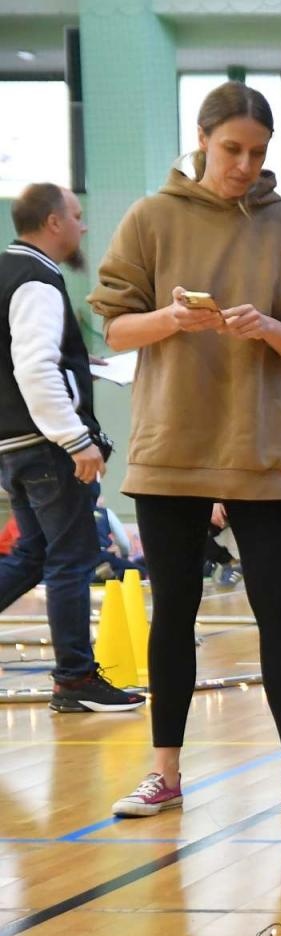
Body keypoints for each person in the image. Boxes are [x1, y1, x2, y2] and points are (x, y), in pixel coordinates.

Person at [90, 82, 281, 818]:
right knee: (172, 610)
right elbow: (115, 330)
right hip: (171, 445)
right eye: (232, 149)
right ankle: (164, 773)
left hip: (263, 449)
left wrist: (267, 329)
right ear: (203, 139)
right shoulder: (150, 219)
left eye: (259, 152)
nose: (245, 164)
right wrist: (173, 319)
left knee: (279, 608)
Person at [0, 185, 143, 713]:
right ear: (52, 221)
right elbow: (34, 367)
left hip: (15, 446)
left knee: (33, 553)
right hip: (47, 449)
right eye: (77, 217)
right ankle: (76, 680)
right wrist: (76, 438)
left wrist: (84, 371)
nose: (83, 227)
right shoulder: (36, 278)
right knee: (71, 558)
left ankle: (76, 677)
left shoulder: (4, 271)